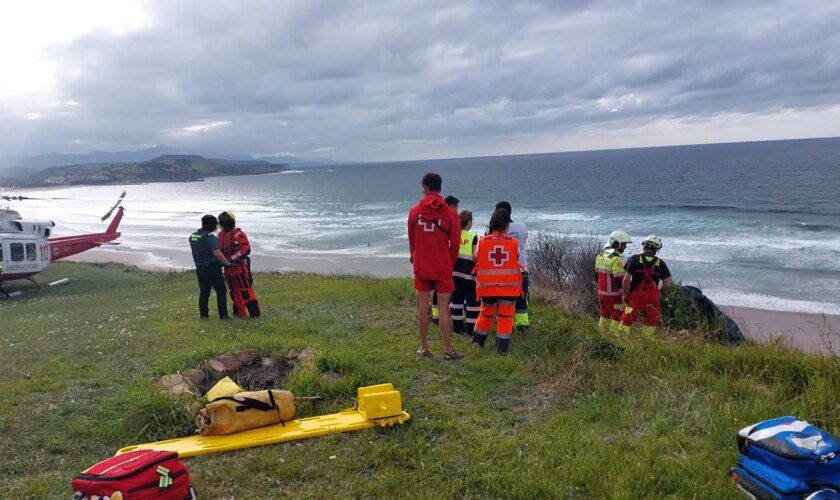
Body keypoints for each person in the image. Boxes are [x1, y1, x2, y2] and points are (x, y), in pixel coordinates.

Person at [407, 172, 463, 360]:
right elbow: (455, 244)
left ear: (424, 189)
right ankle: (447, 350)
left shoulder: (414, 212)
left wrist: (414, 257)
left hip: (422, 266)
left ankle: (424, 348)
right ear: (440, 188)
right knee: (444, 308)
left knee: (423, 307)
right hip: (442, 266)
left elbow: (412, 241)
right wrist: (449, 262)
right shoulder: (450, 213)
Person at [472, 208, 523, 354]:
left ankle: (477, 342)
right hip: (509, 288)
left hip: (487, 288)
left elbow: (477, 257)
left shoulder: (482, 242)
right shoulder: (514, 243)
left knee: (485, 314)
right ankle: (501, 349)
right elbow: (516, 258)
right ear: (507, 225)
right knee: (506, 317)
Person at [620, 235, 672, 337]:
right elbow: (667, 284)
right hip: (653, 298)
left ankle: (620, 339)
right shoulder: (660, 263)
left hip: (637, 297)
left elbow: (626, 280)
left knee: (627, 319)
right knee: (651, 321)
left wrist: (624, 294)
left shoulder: (634, 259)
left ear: (644, 246)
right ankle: (646, 343)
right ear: (656, 249)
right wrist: (658, 292)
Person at [218, 211, 261, 318]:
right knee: (234, 293)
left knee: (245, 291)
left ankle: (254, 315)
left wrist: (231, 259)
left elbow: (246, 249)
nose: (224, 225)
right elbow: (219, 250)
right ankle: (240, 314)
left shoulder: (239, 234)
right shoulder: (221, 235)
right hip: (228, 269)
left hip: (239, 268)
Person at [495, 201, 529, 333]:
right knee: (521, 300)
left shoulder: (493, 230)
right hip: (521, 270)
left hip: (500, 272)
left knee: (502, 301)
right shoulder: (521, 226)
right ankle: (522, 328)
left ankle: (503, 327)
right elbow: (523, 243)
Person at [188, 215, 231, 319]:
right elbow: (217, 253)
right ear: (212, 225)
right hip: (212, 268)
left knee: (204, 291)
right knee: (221, 291)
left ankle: (204, 315)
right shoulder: (209, 238)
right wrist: (228, 263)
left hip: (200, 268)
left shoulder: (193, 236)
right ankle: (223, 315)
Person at [430, 194, 460, 324]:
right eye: (456, 208)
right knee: (441, 292)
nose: (457, 211)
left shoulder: (437, 216)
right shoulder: (450, 218)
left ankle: (430, 315)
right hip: (444, 261)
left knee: (430, 290)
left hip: (432, 258)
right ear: (452, 206)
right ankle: (439, 317)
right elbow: (454, 244)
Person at [595, 230, 632, 333]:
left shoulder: (600, 256)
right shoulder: (616, 259)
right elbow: (619, 280)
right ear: (617, 244)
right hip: (614, 297)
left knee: (604, 315)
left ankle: (601, 336)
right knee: (617, 317)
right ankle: (613, 338)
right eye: (623, 244)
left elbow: (596, 277)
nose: (625, 247)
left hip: (602, 295)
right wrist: (626, 293)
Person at [450, 210, 479, 335]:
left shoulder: (452, 235)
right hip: (469, 276)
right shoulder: (473, 237)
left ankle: (457, 328)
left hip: (454, 274)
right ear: (469, 222)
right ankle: (471, 329)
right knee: (472, 303)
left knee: (456, 301)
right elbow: (475, 256)